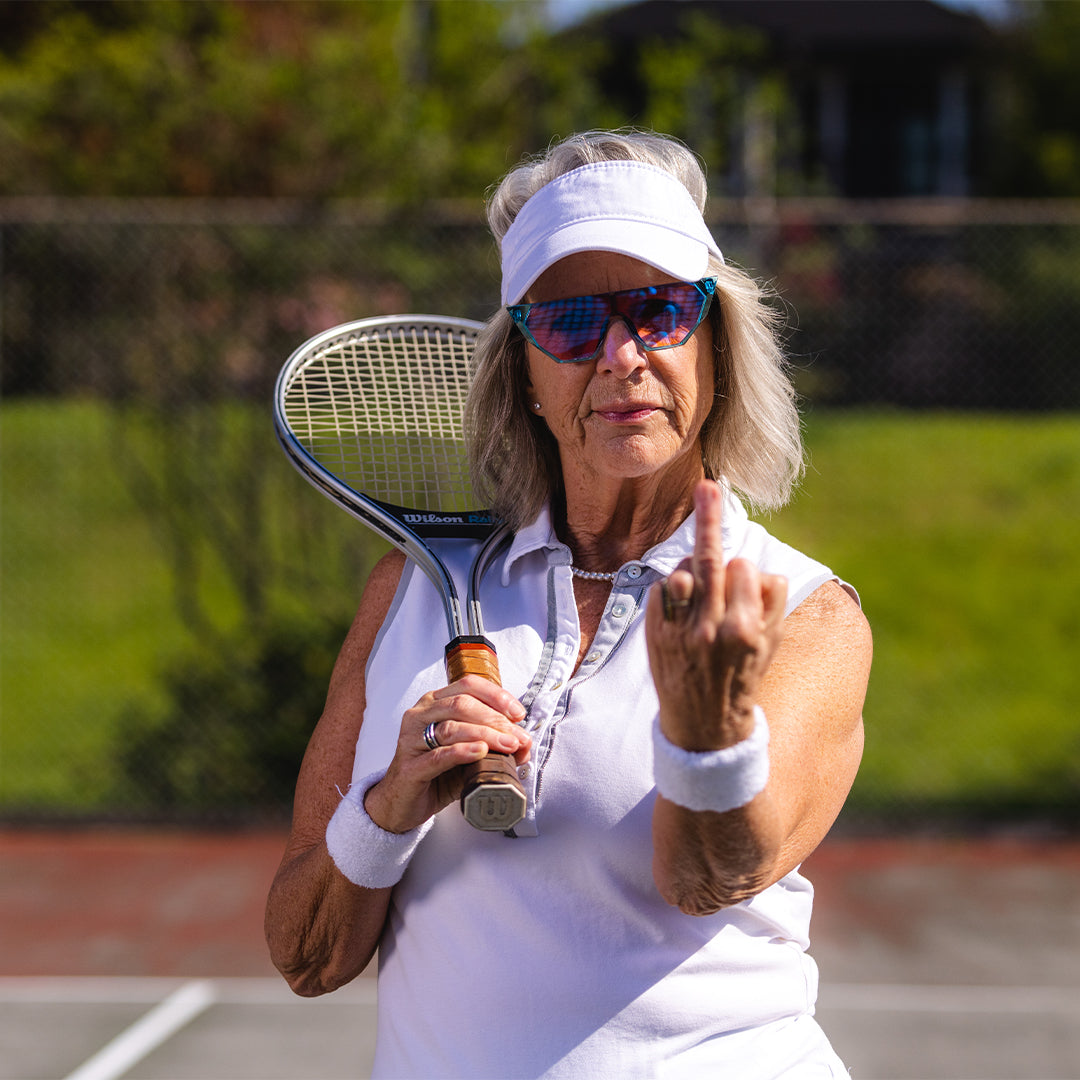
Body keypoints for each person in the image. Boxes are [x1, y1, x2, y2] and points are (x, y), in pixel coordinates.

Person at [265, 129, 872, 1079]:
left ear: (717, 346)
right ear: (525, 375)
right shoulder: (406, 593)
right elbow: (307, 958)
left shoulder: (804, 615)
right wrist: (387, 809)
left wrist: (706, 733)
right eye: (570, 323)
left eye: (661, 311)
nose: (622, 356)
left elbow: (709, 878)